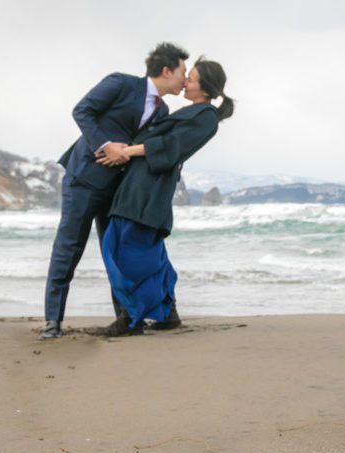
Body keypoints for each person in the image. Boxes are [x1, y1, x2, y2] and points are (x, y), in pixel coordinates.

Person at [41, 43, 189, 339]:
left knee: (118, 254)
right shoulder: (121, 84)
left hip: (118, 191)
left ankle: (126, 319)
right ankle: (52, 322)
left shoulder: (164, 112)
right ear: (166, 70)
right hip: (83, 180)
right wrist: (105, 144)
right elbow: (82, 111)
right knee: (69, 249)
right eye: (183, 73)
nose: (185, 80)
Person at [95, 59, 234, 336]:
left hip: (150, 186)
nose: (185, 82)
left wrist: (125, 151)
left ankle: (131, 318)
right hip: (141, 183)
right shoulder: (192, 111)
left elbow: (171, 147)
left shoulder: (206, 117)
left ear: (205, 88)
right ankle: (167, 313)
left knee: (128, 249)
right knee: (145, 248)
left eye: (191, 79)